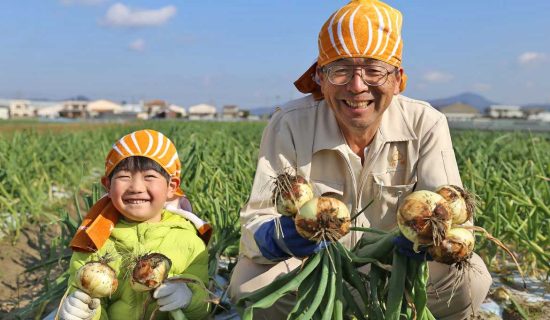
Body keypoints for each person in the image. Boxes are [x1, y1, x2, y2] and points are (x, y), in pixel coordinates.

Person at [228, 0, 492, 319]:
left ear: (397, 79)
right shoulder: (290, 124)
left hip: (398, 270)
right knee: (249, 286)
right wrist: (284, 236)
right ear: (320, 79)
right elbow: (256, 220)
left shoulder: (427, 123)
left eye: (373, 70)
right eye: (341, 70)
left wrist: (428, 240)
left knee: (470, 282)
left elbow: (456, 215)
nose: (357, 86)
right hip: (314, 274)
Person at [58, 129, 210, 320]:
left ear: (171, 187)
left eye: (149, 176)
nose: (136, 188)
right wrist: (85, 313)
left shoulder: (189, 241)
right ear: (108, 185)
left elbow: (204, 304)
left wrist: (189, 298)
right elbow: (83, 293)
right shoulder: (94, 241)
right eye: (124, 176)